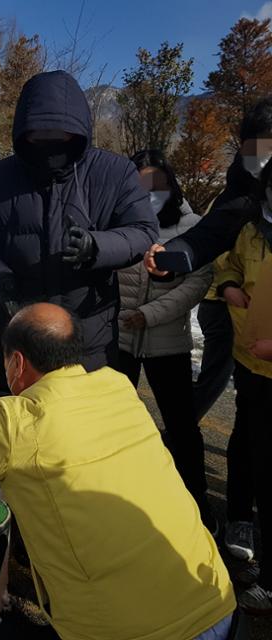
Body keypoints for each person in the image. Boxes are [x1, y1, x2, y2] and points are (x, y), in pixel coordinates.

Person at [0, 303, 237, 640]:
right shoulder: (118, 389)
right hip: (217, 604)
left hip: (131, 632)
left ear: (17, 363)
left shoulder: (15, 424)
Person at [0, 70, 158, 407]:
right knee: (16, 430)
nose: (49, 143)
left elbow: (143, 231)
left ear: (80, 130)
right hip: (16, 334)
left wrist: (97, 246)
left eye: (61, 134)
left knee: (86, 431)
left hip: (88, 335)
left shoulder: (114, 173)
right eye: (39, 135)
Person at [144, 100, 272, 420]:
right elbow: (210, 235)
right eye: (256, 146)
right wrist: (174, 256)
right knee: (248, 425)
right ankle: (181, 430)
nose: (263, 156)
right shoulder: (241, 195)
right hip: (238, 324)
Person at [116, 149, 215, 530]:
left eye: (156, 184)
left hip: (168, 339)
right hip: (122, 337)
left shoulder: (192, 225)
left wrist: (149, 315)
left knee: (182, 424)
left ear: (170, 184)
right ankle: (120, 497)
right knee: (115, 422)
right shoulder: (118, 220)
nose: (149, 193)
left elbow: (197, 282)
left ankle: (198, 503)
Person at [214, 166, 272, 613]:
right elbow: (228, 264)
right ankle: (239, 524)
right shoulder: (251, 231)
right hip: (250, 359)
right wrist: (230, 285)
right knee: (246, 444)